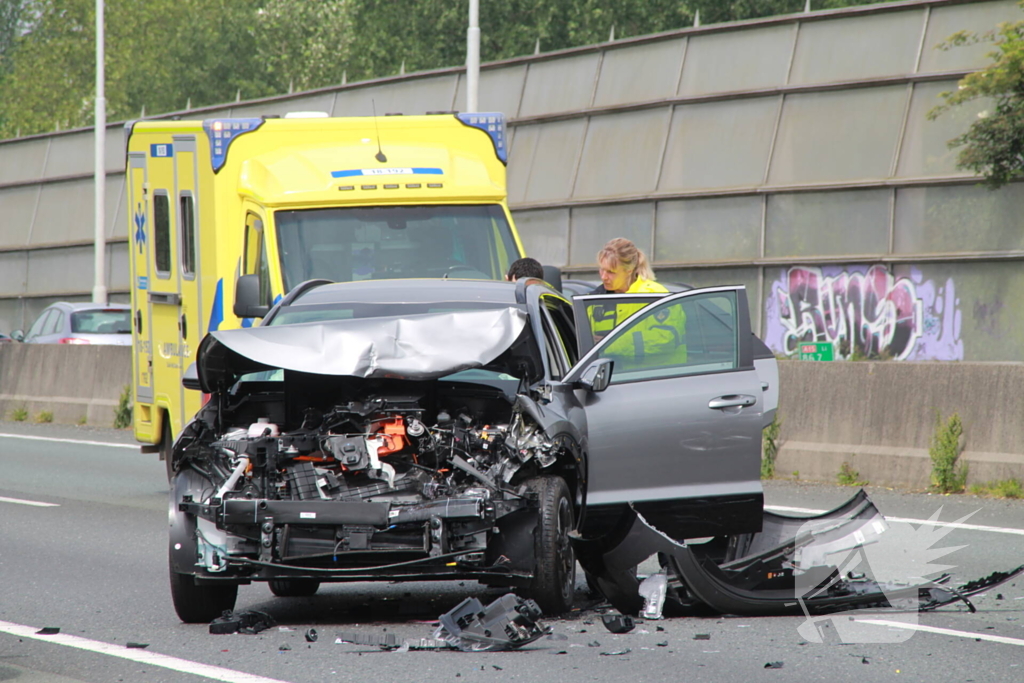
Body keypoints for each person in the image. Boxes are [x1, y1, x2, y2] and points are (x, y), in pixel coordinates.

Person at [587, 238, 686, 364]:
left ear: (629, 270)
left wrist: (609, 345)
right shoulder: (595, 299)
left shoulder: (654, 295)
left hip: (656, 378)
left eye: (611, 272)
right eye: (601, 269)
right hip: (611, 378)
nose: (603, 277)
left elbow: (665, 339)